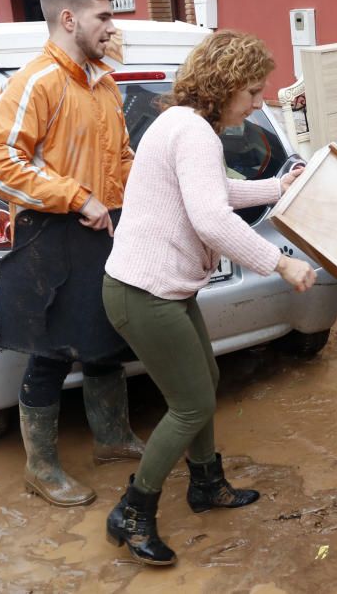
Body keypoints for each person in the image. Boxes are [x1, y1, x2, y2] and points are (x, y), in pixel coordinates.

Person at [102, 30, 316, 566]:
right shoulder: (194, 132)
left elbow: (210, 195)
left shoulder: (183, 125)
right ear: (224, 88)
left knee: (207, 383)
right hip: (143, 292)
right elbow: (212, 219)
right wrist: (281, 262)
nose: (259, 101)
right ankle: (132, 510)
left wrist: (276, 189)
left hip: (157, 288)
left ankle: (206, 484)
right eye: (252, 92)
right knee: (191, 402)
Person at [0, 0, 143, 508]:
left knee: (104, 340)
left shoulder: (104, 82)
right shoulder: (37, 81)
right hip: (49, 235)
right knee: (51, 354)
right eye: (104, 17)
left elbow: (120, 158)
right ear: (68, 19)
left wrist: (141, 194)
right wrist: (78, 197)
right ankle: (41, 469)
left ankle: (113, 439)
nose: (112, 28)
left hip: (102, 231)